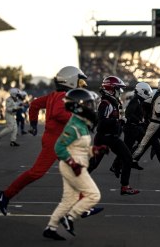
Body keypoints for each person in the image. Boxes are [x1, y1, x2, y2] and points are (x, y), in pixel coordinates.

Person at [0, 66, 101, 218]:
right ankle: (5, 195)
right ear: (71, 80)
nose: (81, 85)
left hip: (56, 139)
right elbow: (59, 113)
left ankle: (82, 206)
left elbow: (35, 104)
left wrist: (33, 123)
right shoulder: (62, 96)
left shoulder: (55, 95)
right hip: (55, 141)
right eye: (80, 81)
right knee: (37, 172)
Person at [43, 88, 108, 240]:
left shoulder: (81, 123)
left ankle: (51, 228)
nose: (91, 108)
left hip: (76, 163)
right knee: (93, 195)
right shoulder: (74, 126)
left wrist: (96, 150)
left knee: (69, 200)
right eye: (88, 104)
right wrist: (73, 164)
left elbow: (80, 148)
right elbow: (59, 148)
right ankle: (70, 218)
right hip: (72, 166)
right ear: (77, 106)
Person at [87, 75, 139, 195]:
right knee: (93, 163)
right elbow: (101, 122)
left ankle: (125, 186)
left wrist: (119, 123)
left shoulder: (113, 102)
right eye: (118, 89)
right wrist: (118, 121)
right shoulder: (105, 103)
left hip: (112, 137)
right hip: (104, 137)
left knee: (127, 158)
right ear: (111, 89)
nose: (120, 92)